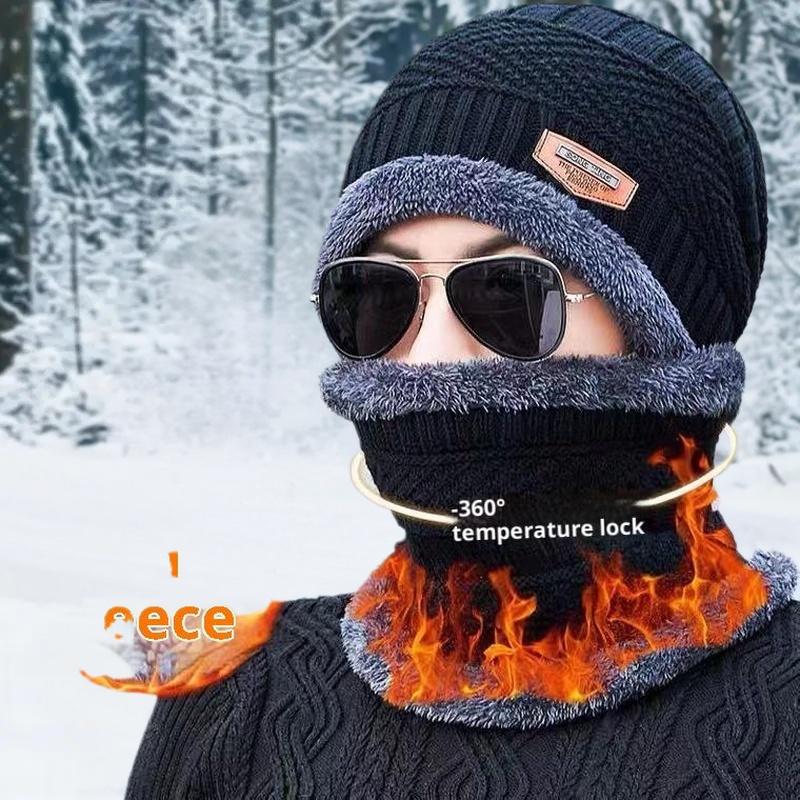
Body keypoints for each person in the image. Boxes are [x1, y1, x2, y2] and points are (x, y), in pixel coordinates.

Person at [123, 4, 800, 798]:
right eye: (377, 295)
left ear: (664, 336)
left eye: (509, 291)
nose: (430, 354)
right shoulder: (230, 697)